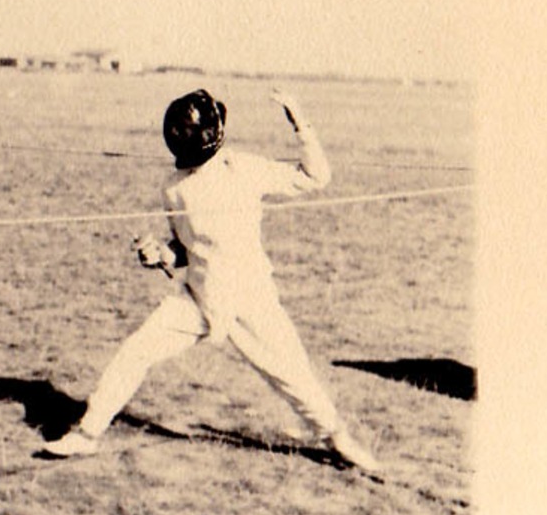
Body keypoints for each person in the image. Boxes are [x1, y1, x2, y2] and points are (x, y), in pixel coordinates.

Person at [42, 88, 382, 474]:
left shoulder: (243, 168)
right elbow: (185, 250)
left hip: (250, 300)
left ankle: (339, 442)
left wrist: (299, 121)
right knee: (136, 350)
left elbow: (316, 177)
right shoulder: (173, 187)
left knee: (294, 377)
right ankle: (87, 434)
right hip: (199, 298)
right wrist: (160, 256)